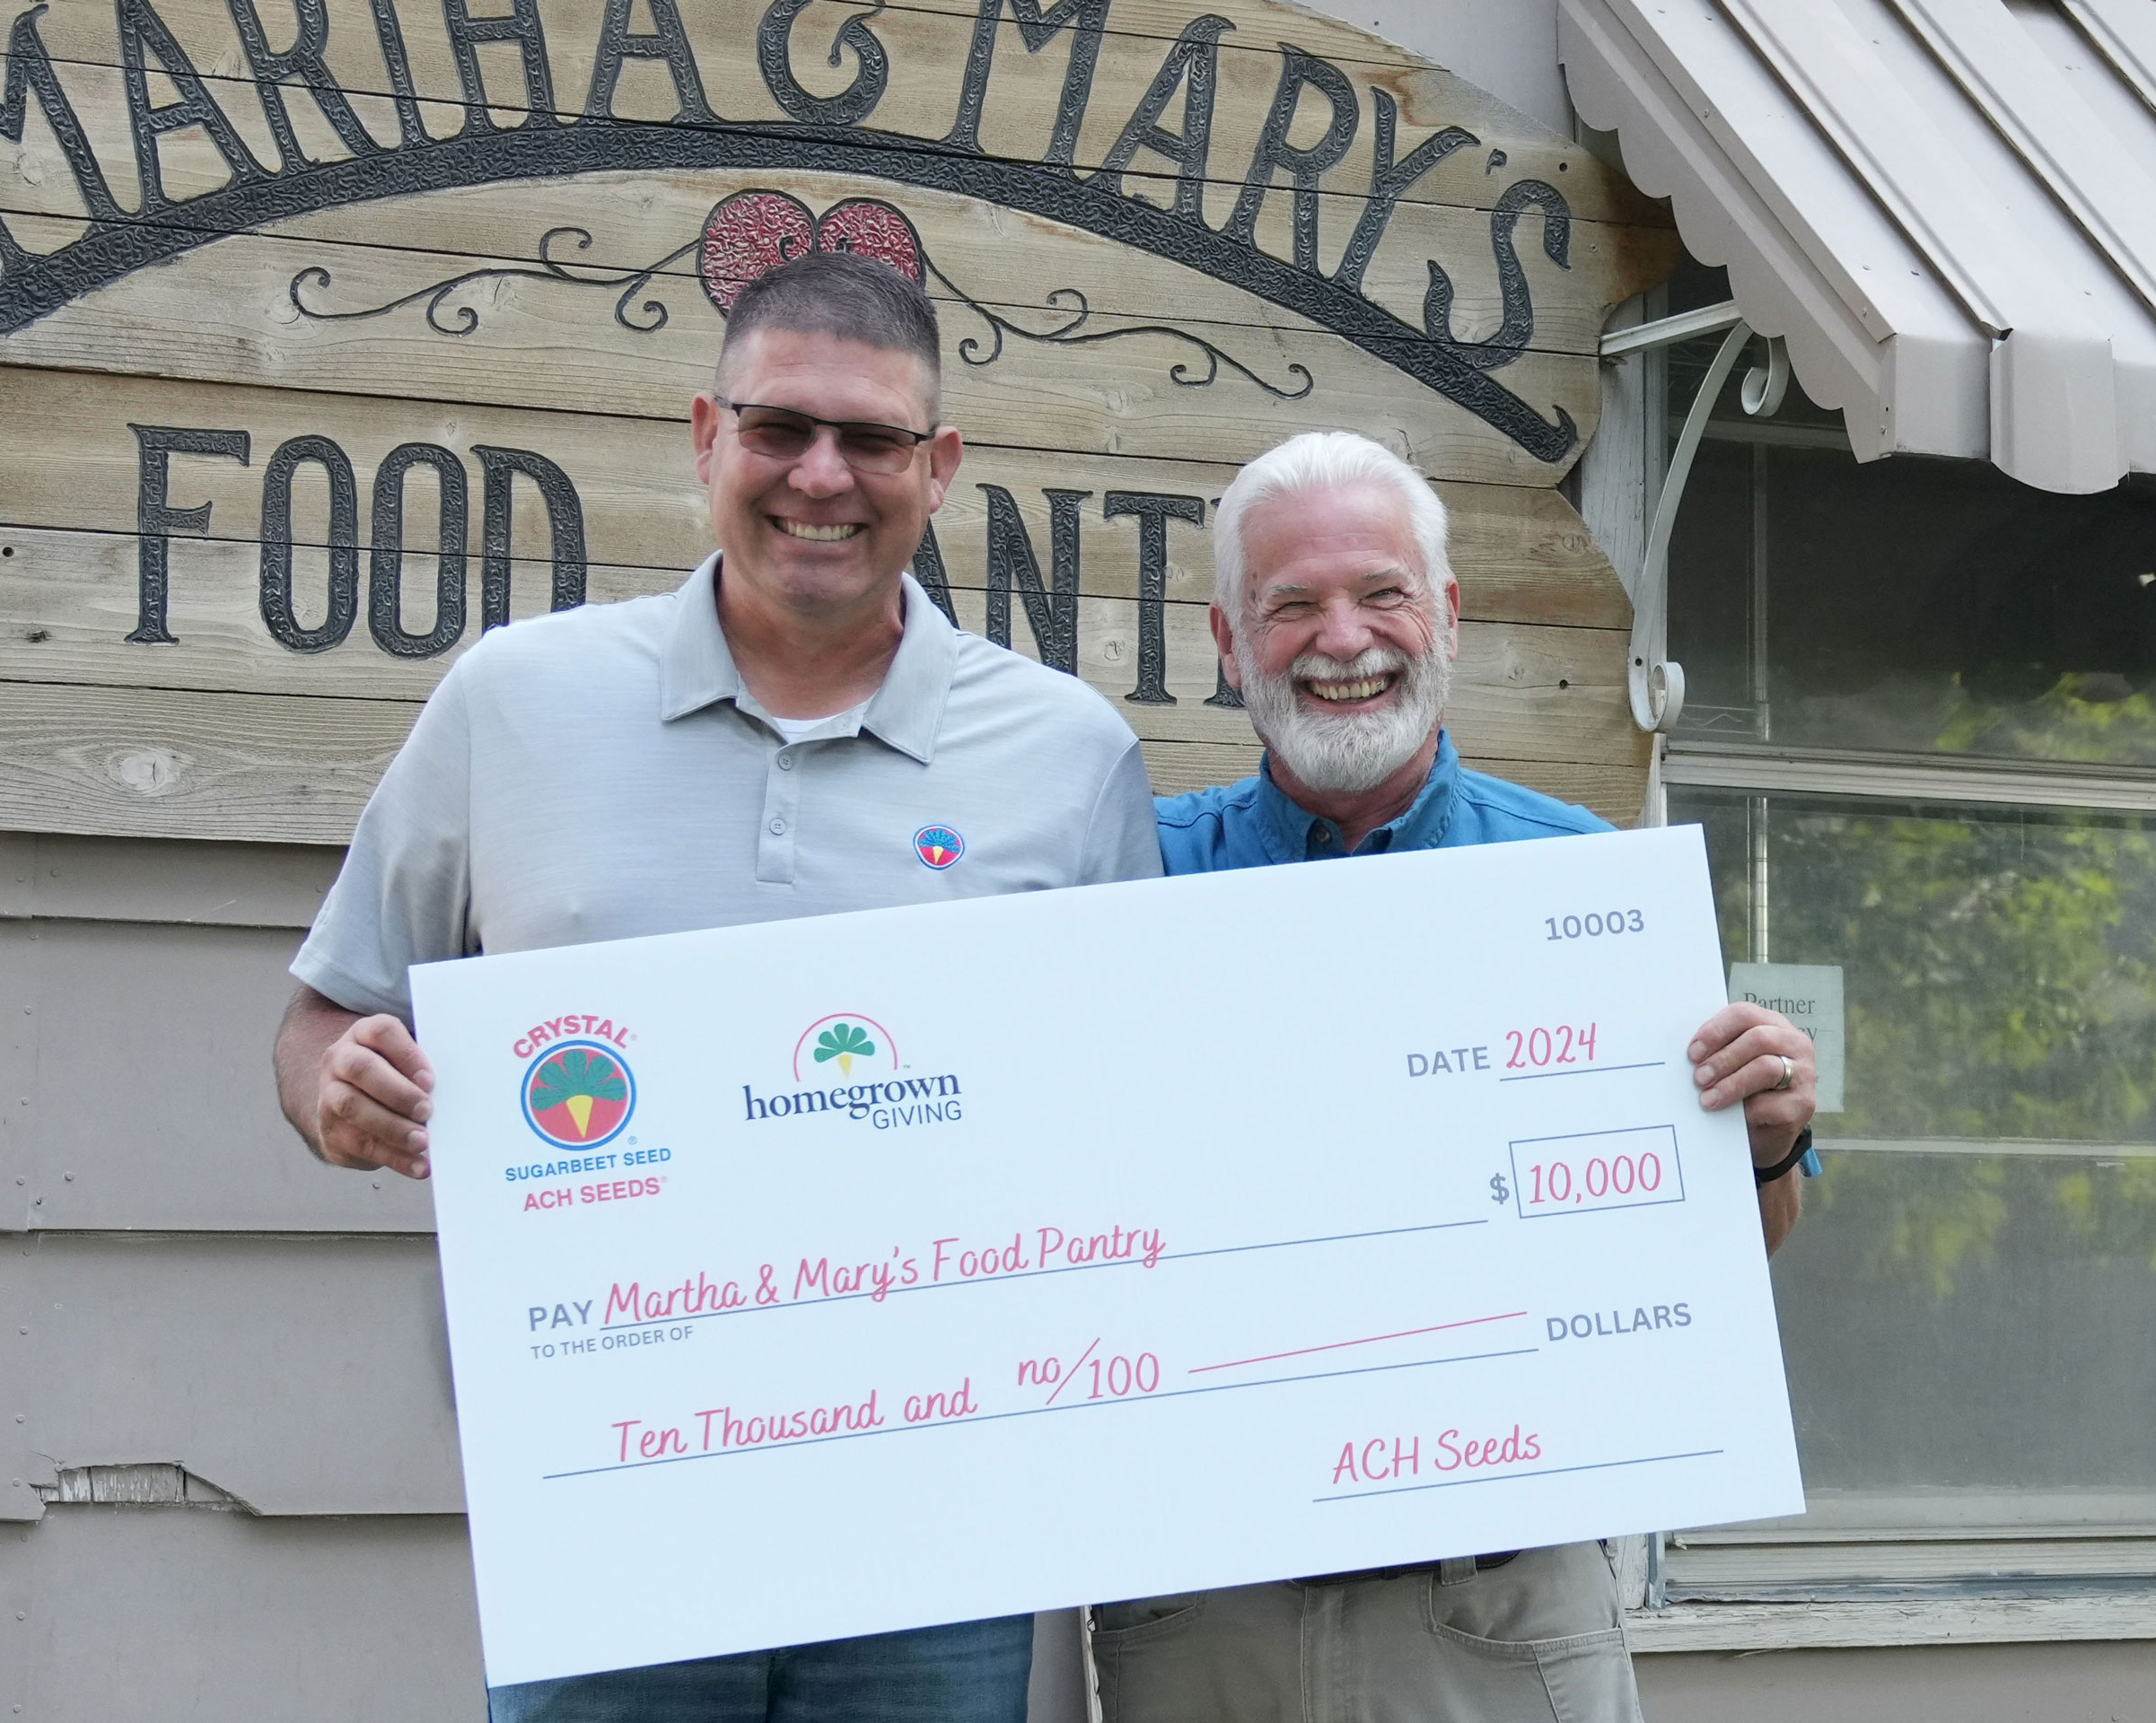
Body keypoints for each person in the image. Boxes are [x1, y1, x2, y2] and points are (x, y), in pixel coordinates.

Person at [272, 250, 1161, 1723]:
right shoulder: (514, 702)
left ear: (938, 468)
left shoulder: (1068, 756)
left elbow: (1132, 1120)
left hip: (937, 1522)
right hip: (606, 1501)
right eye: (779, 428)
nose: (821, 475)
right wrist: (337, 1090)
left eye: (870, 438)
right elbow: (327, 1012)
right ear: (705, 437)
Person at [1091, 430, 1819, 1723]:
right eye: (1291, 604)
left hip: (1494, 1604)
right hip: (1203, 1606)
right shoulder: (1127, 882)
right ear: (1226, 642)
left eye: (1382, 592)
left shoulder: (1590, 888)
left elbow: (1729, 1243)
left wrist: (1759, 1143)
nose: (1343, 638)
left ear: (1448, 617)